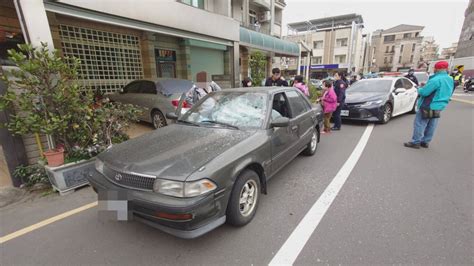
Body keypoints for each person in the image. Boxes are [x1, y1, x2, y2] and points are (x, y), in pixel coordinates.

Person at [404, 61, 453, 149]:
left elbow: (424, 92)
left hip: (429, 105)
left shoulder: (436, 79)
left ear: (437, 69)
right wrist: (426, 85)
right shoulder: (449, 79)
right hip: (439, 105)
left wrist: (419, 88)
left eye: (434, 68)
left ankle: (416, 142)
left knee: (420, 123)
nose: (434, 69)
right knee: (431, 124)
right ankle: (425, 141)